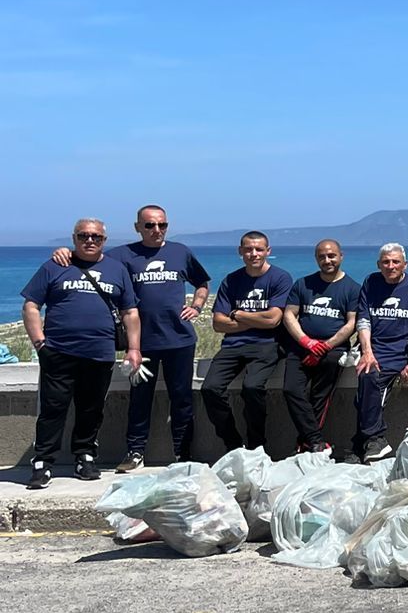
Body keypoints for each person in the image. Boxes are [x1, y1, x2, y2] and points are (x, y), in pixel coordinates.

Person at [20, 220, 139, 489]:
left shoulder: (116, 269)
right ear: (74, 238)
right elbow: (31, 305)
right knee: (53, 409)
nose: (90, 240)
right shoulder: (55, 265)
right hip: (58, 352)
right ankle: (43, 463)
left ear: (104, 240)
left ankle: (84, 457)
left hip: (100, 353)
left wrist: (133, 348)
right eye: (84, 235)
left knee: (91, 409)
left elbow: (130, 312)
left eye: (96, 236)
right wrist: (40, 343)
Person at [105, 206, 209, 469]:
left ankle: (183, 455)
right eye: (150, 225)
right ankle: (135, 452)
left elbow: (202, 283)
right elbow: (90, 259)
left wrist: (196, 306)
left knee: (182, 399)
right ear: (137, 227)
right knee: (140, 399)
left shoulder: (180, 252)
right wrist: (63, 254)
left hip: (180, 340)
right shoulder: (122, 255)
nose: (157, 230)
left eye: (162, 225)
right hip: (142, 343)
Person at [202, 232, 293, 454]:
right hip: (233, 345)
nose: (254, 254)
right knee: (210, 389)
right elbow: (218, 324)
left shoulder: (280, 278)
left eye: (259, 249)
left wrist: (237, 314)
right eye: (249, 249)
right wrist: (256, 320)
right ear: (240, 251)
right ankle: (233, 444)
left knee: (252, 388)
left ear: (268, 252)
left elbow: (273, 320)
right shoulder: (231, 280)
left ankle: (256, 445)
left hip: (267, 345)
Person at [352, 244, 408, 462]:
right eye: (386, 262)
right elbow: (363, 320)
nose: (390, 266)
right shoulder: (371, 282)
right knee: (366, 381)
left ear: (404, 264)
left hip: (399, 352)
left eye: (395, 262)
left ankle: (366, 442)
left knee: (371, 382)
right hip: (373, 348)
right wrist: (367, 352)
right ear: (379, 265)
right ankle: (371, 441)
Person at [281, 241, 360, 455]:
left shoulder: (352, 288)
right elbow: (289, 314)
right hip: (301, 346)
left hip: (333, 350)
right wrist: (306, 341)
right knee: (291, 390)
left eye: (332, 256)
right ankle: (315, 440)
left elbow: (351, 323)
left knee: (319, 396)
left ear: (341, 256)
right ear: (317, 258)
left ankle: (307, 444)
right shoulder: (303, 284)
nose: (328, 260)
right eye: (323, 257)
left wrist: (325, 346)